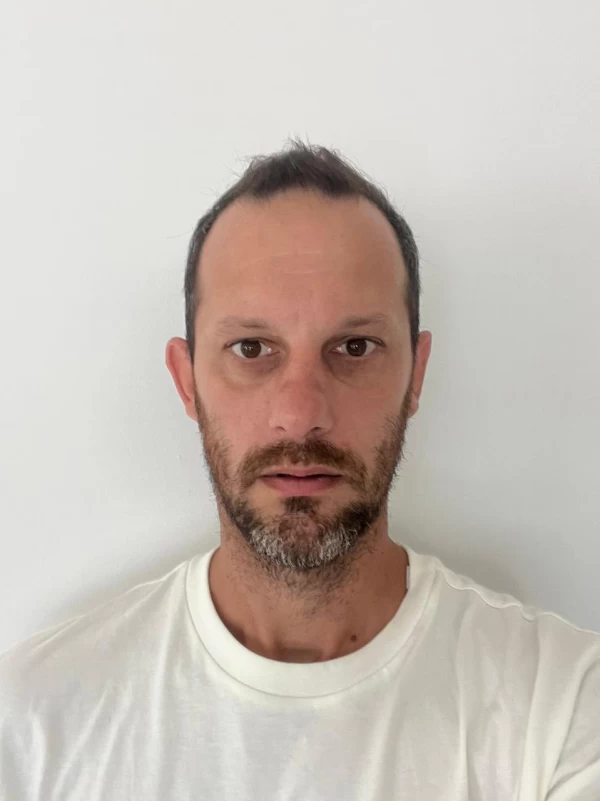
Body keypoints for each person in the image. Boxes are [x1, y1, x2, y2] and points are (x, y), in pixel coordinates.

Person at [1, 142, 599, 801]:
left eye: (354, 347)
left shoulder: (562, 708)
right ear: (187, 380)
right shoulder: (33, 723)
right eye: (251, 348)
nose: (301, 415)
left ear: (416, 375)